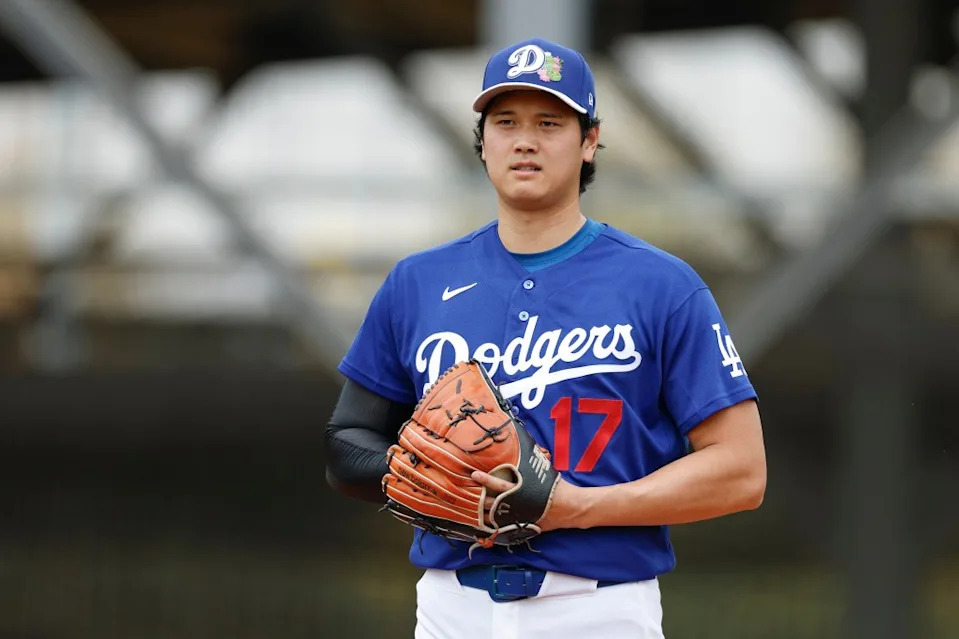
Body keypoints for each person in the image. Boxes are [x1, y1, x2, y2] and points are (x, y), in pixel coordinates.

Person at [325, 37, 767, 638]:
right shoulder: (418, 282)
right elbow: (346, 445)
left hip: (598, 609)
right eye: (505, 122)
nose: (525, 140)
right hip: (451, 610)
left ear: (589, 141)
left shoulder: (662, 285)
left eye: (550, 122)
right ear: (483, 143)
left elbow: (742, 471)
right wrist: (444, 486)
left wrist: (578, 508)